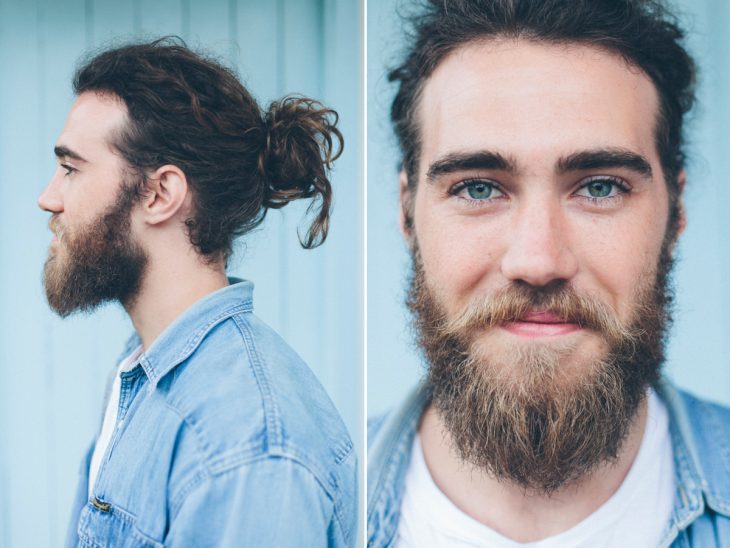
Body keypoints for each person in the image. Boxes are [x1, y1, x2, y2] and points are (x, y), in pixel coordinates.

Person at [367, 0, 730, 546]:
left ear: (675, 211)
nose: (538, 262)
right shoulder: (312, 503)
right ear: (406, 211)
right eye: (478, 187)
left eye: (601, 187)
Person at [39, 38, 357, 547]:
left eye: (71, 169)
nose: (48, 198)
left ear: (160, 194)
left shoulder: (247, 449)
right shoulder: (143, 371)